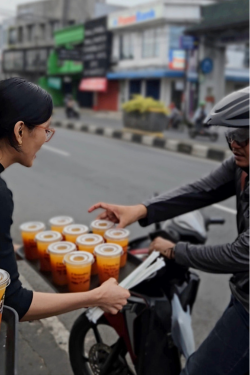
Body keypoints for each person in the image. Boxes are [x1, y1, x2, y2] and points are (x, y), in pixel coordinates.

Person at [89, 87, 249, 375]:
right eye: (231, 136)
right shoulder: (242, 166)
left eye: (242, 137)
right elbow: (202, 189)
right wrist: (139, 210)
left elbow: (241, 253)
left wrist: (175, 250)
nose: (234, 144)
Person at [0, 78, 130, 323]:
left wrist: (5, 250)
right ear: (20, 131)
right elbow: (13, 303)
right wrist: (97, 295)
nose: (46, 139)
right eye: (46, 130)